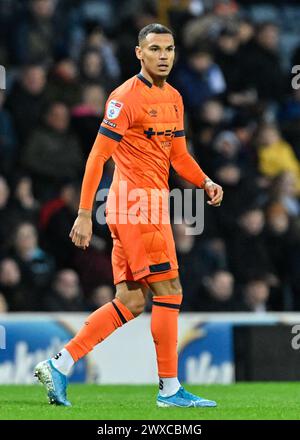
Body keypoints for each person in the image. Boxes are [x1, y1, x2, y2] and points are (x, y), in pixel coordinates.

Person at [34, 23, 223, 408]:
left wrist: (204, 181)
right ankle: (170, 391)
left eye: (169, 49)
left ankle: (60, 363)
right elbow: (97, 156)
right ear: (139, 53)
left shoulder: (174, 97)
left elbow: (178, 156)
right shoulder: (124, 98)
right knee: (170, 291)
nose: (164, 55)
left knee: (132, 301)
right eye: (154, 49)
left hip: (143, 207)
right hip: (137, 206)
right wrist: (84, 213)